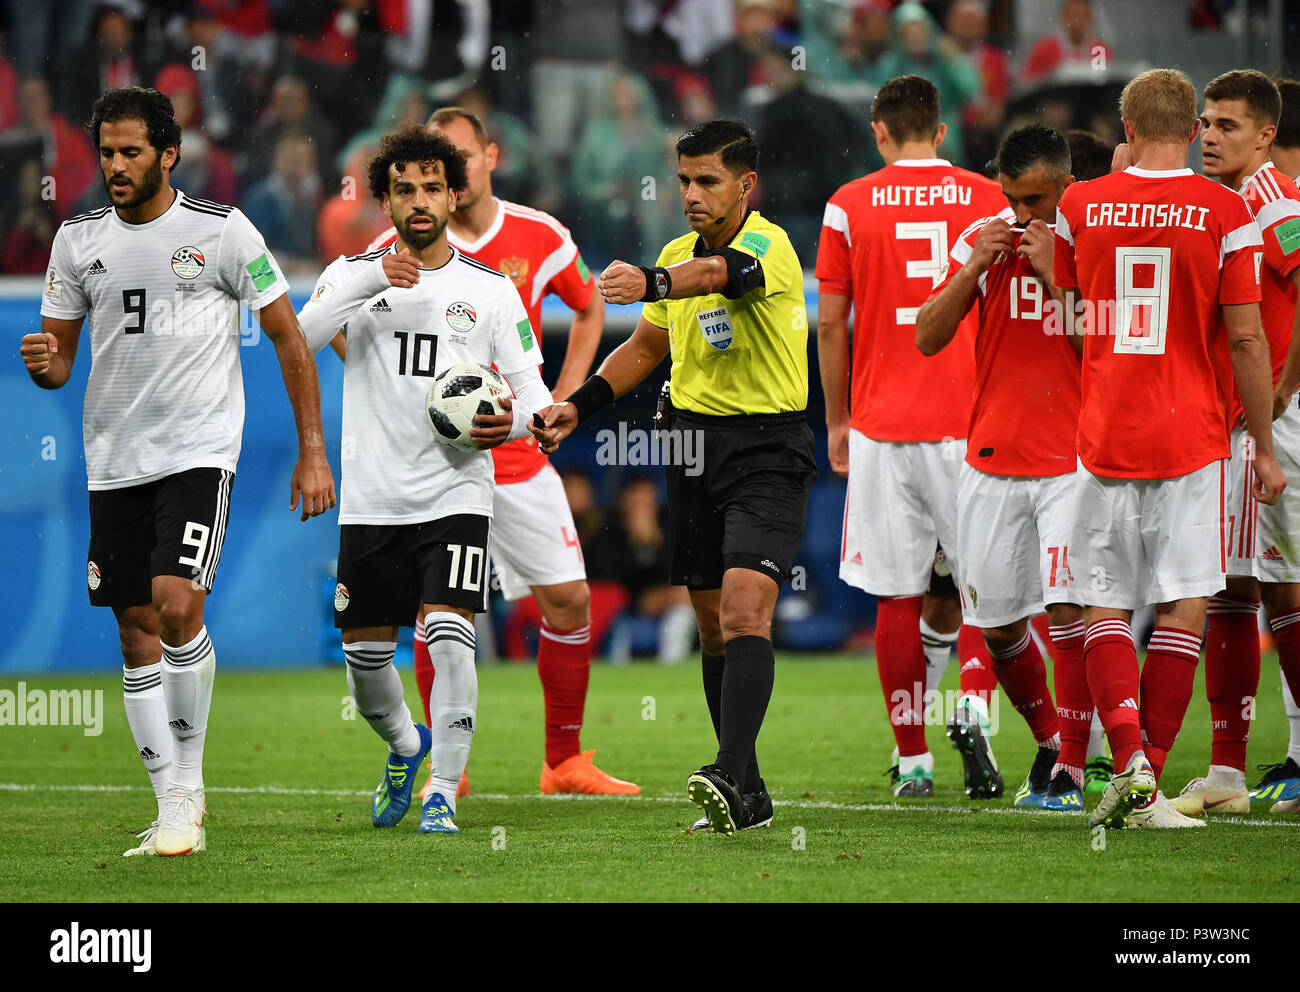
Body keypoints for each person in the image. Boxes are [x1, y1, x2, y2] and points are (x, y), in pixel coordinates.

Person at [21, 86, 335, 857]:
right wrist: (46, 365)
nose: (116, 166)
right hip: (112, 460)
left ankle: (189, 786)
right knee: (134, 633)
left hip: (197, 451)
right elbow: (58, 363)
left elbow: (291, 340)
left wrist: (314, 448)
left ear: (169, 153)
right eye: (107, 153)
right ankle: (170, 806)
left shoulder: (223, 234)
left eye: (132, 152)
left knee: (176, 606)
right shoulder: (77, 240)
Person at [532, 119, 816, 835]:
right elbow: (648, 344)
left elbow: (724, 277)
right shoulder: (674, 254)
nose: (690, 193)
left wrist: (654, 280)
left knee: (750, 609)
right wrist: (578, 405)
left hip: (766, 448)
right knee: (716, 628)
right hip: (691, 450)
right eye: (684, 179)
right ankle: (747, 793)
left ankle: (725, 767)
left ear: (745, 185)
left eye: (707, 181)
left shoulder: (769, 246)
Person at [352, 106, 637, 799]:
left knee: (569, 601)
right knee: (437, 614)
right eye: (431, 163)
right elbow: (342, 323)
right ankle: (450, 769)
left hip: (514, 455)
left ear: (488, 158)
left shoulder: (538, 235)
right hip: (435, 466)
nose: (446, 172)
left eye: (459, 157)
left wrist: (563, 399)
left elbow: (591, 303)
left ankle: (563, 763)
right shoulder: (394, 251)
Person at [298, 124, 553, 836]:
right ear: (384, 199)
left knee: (447, 632)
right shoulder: (349, 273)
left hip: (456, 491)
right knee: (367, 670)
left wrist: (525, 422)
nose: (419, 200)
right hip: (374, 497)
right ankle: (407, 748)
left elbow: (531, 394)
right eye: (403, 188)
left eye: (432, 187)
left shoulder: (491, 289)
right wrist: (373, 276)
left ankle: (444, 787)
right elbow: (300, 335)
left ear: (452, 195)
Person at [1053, 68, 1284, 830]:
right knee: (1189, 600)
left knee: (1103, 600)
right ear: (1191, 131)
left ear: (1125, 127)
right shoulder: (1226, 210)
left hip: (1104, 430)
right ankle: (1151, 774)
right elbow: (1247, 335)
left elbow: (1066, 298)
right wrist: (1264, 447)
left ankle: (1130, 768)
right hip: (1193, 434)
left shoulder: (1078, 204)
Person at [815, 74, 1007, 799]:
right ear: (944, 132)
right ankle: (977, 709)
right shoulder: (987, 198)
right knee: (987, 593)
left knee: (895, 597)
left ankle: (914, 759)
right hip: (971, 425)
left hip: (883, 426)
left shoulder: (847, 204)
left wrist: (836, 419)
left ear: (879, 132)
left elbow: (831, 322)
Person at [916, 125, 1089, 812]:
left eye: (1034, 200)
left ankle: (1079, 764)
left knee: (1074, 612)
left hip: (1074, 459)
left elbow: (1109, 346)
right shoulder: (985, 237)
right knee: (995, 625)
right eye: (1011, 198)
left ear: (1065, 187)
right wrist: (970, 271)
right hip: (990, 458)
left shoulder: (1088, 239)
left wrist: (1056, 277)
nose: (1021, 215)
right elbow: (927, 337)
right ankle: (1050, 741)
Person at [1168, 70, 1300, 818]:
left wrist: (1284, 385)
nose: (1210, 136)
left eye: (1226, 124)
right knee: (1234, 587)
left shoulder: (1275, 201)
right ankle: (1226, 774)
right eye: (1206, 124)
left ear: (1265, 135)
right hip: (1235, 420)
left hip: (1274, 422)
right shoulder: (1225, 204)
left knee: (1280, 585)